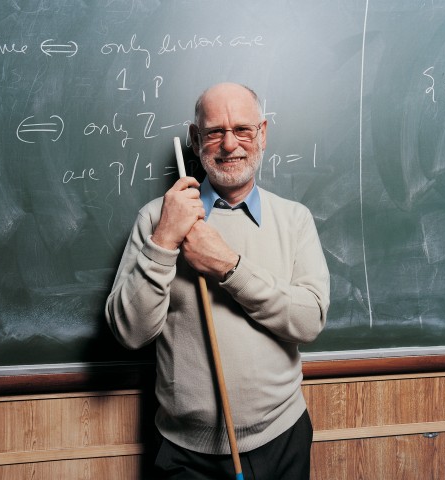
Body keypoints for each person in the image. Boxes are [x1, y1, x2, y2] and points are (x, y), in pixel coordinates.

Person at [105, 82, 330, 479]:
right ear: (195, 139)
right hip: (184, 452)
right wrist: (164, 241)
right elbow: (131, 333)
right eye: (214, 132)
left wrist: (230, 267)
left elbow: (309, 320)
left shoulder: (295, 219)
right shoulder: (155, 219)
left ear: (262, 134)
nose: (230, 145)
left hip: (281, 439)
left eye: (242, 129)